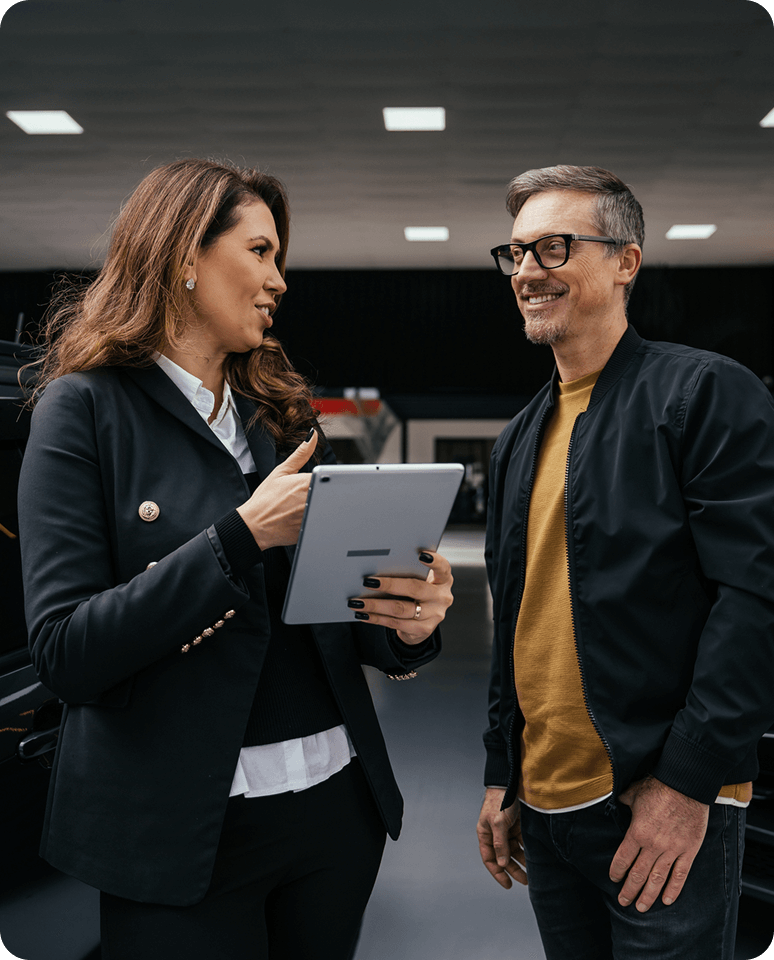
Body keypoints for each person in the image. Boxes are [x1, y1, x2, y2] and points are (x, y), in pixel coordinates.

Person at [17, 158, 453, 960]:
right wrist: (238, 536)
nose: (278, 279)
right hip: (180, 832)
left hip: (332, 815)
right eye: (259, 251)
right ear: (186, 254)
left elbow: (325, 619)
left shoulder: (275, 413)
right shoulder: (82, 412)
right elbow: (66, 654)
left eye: (278, 257)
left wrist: (406, 625)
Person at [475, 164, 774, 959]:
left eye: (554, 247)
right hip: (547, 810)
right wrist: (501, 773)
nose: (529, 271)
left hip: (659, 806)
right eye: (516, 254)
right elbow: (518, 621)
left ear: (626, 261)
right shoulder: (518, 439)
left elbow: (755, 599)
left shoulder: (703, 395)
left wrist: (687, 782)